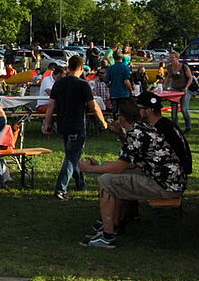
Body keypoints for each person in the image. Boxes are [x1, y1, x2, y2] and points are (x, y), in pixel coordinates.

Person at [77, 93, 190, 249]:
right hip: (171, 181)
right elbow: (128, 163)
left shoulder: (137, 135)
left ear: (122, 118)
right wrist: (100, 164)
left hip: (166, 186)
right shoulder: (142, 130)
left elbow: (119, 166)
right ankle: (114, 226)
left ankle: (107, 236)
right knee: (116, 177)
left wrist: (89, 168)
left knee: (106, 180)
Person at [42, 55, 107, 201]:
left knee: (72, 154)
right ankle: (60, 189)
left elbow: (51, 105)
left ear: (69, 67)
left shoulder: (58, 83)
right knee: (71, 158)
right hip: (77, 125)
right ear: (81, 67)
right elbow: (93, 106)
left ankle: (80, 183)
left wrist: (47, 123)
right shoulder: (83, 84)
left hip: (63, 124)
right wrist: (102, 121)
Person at [163, 51, 195, 132]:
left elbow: (190, 77)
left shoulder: (184, 66)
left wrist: (186, 87)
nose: (170, 59)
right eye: (170, 57)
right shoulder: (169, 67)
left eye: (172, 57)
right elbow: (168, 77)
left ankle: (188, 127)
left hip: (184, 90)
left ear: (177, 58)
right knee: (174, 110)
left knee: (184, 109)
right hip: (174, 90)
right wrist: (164, 85)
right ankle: (175, 128)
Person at [104, 49, 133, 117]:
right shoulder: (126, 68)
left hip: (114, 93)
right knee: (123, 113)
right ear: (122, 57)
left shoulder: (110, 68)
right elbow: (126, 81)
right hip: (124, 94)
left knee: (115, 112)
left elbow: (106, 81)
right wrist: (131, 90)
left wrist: (111, 86)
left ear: (113, 57)